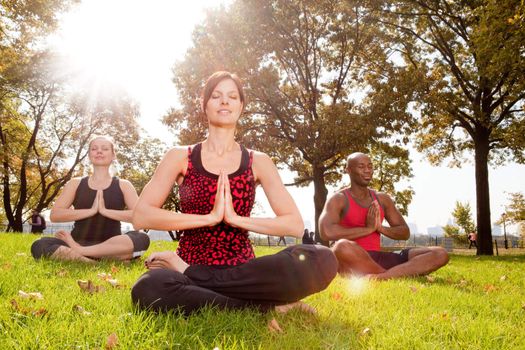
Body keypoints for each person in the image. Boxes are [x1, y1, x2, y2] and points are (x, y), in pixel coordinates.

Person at [131, 71, 337, 315]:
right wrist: (209, 218)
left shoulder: (258, 161)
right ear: (205, 105)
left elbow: (293, 224)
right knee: (149, 288)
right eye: (216, 96)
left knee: (323, 258)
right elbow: (141, 216)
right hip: (187, 264)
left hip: (244, 274)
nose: (224, 101)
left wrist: (237, 219)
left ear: (241, 106)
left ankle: (209, 289)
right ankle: (262, 308)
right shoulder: (180, 156)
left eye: (232, 96)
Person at [319, 152, 448, 279]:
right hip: (353, 257)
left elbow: (404, 232)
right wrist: (367, 229)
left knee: (440, 253)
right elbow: (326, 231)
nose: (367, 170)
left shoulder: (382, 198)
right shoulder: (339, 198)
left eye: (370, 166)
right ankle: (397, 273)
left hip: (379, 257)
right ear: (348, 170)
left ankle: (381, 276)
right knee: (340, 247)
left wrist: (380, 228)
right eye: (361, 166)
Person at [30, 135, 150, 262]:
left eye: (104, 148)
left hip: (112, 246)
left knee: (142, 237)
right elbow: (55, 215)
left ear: (113, 155)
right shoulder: (75, 183)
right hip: (77, 241)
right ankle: (94, 261)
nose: (99, 151)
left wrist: (105, 211)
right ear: (89, 155)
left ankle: (81, 254)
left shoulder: (124, 185)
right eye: (94, 149)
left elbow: (141, 217)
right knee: (39, 245)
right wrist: (91, 211)